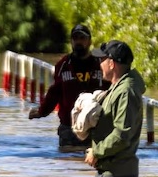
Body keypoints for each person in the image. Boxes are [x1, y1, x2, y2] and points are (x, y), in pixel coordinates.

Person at [84, 40, 146, 177]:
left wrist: (97, 152)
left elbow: (122, 135)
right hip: (109, 168)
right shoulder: (117, 87)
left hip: (118, 172)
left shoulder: (126, 91)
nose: (100, 64)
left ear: (111, 64)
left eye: (102, 60)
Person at [28, 23, 104, 151]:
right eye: (75, 38)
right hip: (68, 128)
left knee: (92, 165)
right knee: (68, 163)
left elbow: (111, 91)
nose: (79, 42)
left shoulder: (100, 64)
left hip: (95, 126)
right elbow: (54, 92)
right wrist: (42, 111)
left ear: (90, 41)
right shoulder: (63, 65)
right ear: (71, 42)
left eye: (82, 38)